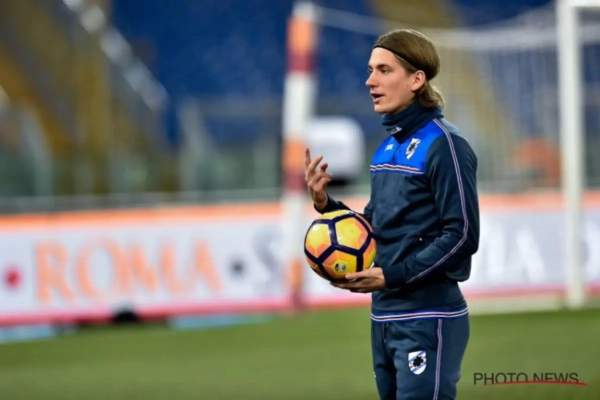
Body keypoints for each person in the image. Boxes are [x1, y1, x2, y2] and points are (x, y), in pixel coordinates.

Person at [304, 29, 480, 400]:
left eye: (384, 70)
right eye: (370, 70)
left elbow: (463, 235)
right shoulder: (386, 148)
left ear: (417, 80)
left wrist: (392, 275)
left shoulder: (445, 144)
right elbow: (374, 227)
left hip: (428, 315)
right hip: (384, 317)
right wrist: (326, 205)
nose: (370, 81)